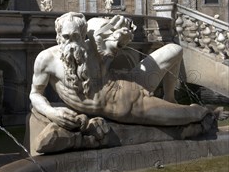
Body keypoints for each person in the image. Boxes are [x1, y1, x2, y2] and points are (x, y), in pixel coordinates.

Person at [28, 12, 212, 152]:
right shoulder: (46, 60)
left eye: (76, 36)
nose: (71, 42)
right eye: (66, 37)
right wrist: (51, 112)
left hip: (125, 86)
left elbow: (106, 32)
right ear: (58, 35)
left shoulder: (93, 46)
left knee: (175, 49)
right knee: (192, 115)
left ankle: (170, 98)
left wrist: (121, 33)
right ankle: (200, 112)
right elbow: (35, 94)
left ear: (83, 34)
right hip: (127, 106)